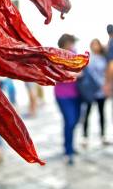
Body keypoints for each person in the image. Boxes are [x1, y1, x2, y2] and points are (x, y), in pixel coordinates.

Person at [55, 34, 82, 165]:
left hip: (77, 94)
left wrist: (76, 73)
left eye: (73, 42)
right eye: (70, 42)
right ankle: (68, 151)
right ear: (64, 43)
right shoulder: (56, 55)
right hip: (62, 95)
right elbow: (56, 73)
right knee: (70, 121)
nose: (72, 45)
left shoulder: (75, 53)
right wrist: (75, 73)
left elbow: (82, 68)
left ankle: (70, 145)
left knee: (75, 121)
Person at [82, 39, 108, 146]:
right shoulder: (89, 58)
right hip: (91, 91)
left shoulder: (104, 58)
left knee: (102, 113)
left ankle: (103, 135)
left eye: (96, 44)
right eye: (93, 44)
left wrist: (107, 86)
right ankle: (85, 137)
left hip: (101, 90)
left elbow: (107, 72)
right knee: (87, 113)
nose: (95, 46)